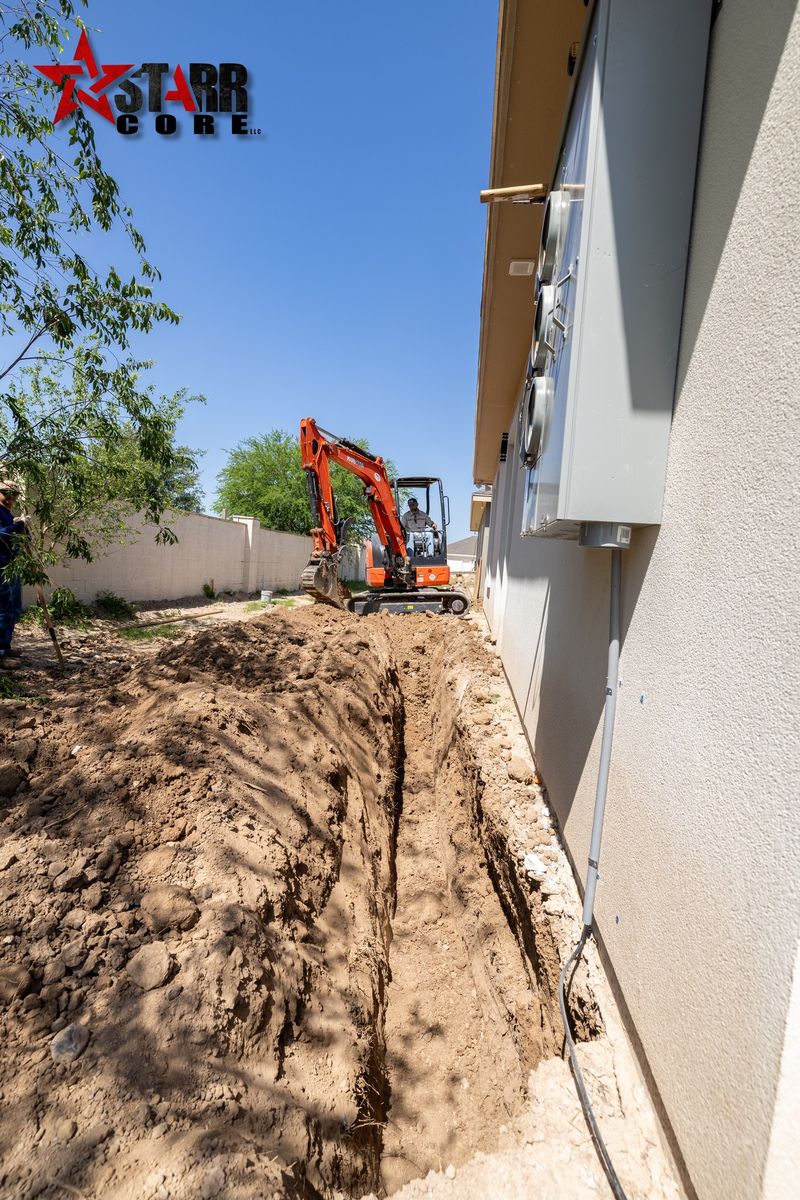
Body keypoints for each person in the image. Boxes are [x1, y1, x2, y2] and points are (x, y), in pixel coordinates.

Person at [0, 481, 27, 666]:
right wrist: (17, 526)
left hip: (12, 565)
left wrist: (23, 527)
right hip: (1, 567)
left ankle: (6, 646)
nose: (11, 498)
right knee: (3, 609)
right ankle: (0, 654)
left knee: (14, 607)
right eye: (6, 494)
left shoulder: (7, 514)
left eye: (14, 495)